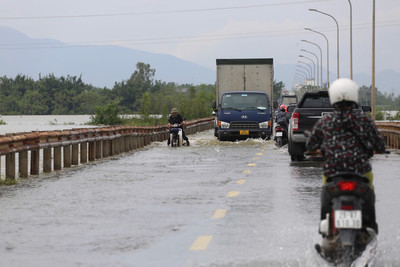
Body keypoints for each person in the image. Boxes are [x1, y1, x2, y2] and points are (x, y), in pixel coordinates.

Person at [306, 78, 386, 234]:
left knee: (325, 193)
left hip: (333, 172)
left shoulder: (326, 121)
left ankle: (326, 228)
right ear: (354, 97)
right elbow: (380, 144)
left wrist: (317, 150)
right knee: (369, 192)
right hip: (360, 172)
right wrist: (378, 149)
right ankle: (371, 225)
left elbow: (311, 145)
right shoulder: (364, 119)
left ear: (333, 98)